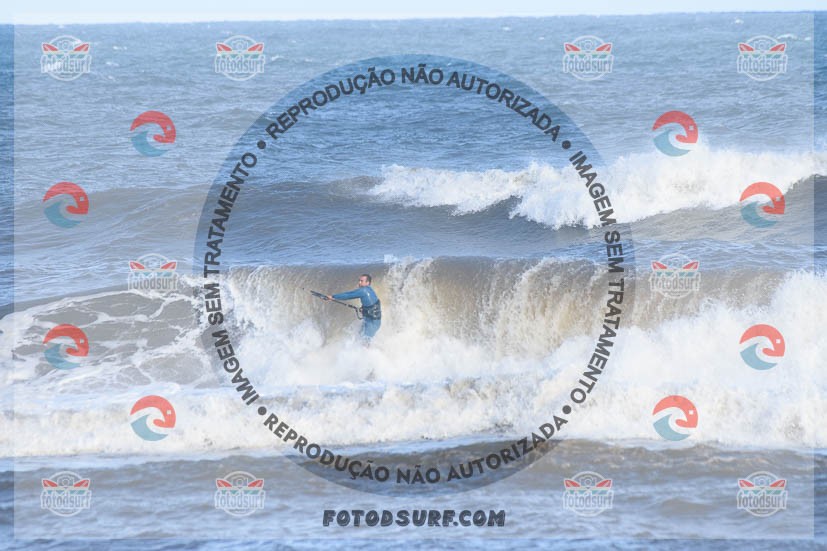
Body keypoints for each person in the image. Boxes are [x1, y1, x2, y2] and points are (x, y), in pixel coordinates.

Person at [327, 274, 382, 340]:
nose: (359, 282)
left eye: (361, 281)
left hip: (372, 323)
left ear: (367, 282)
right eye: (359, 281)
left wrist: (333, 297)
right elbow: (372, 304)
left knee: (365, 342)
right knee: (360, 337)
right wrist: (364, 308)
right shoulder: (370, 290)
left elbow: (348, 295)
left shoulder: (363, 291)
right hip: (372, 321)